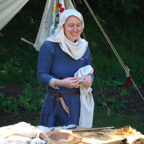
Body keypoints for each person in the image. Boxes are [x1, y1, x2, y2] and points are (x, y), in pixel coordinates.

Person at [37, 9, 94, 127]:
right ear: (63, 25)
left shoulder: (84, 46)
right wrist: (61, 83)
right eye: (70, 25)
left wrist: (89, 78)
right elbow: (41, 75)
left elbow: (90, 70)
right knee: (51, 138)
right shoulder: (50, 46)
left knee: (74, 138)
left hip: (76, 103)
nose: (75, 30)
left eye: (78, 25)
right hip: (54, 102)